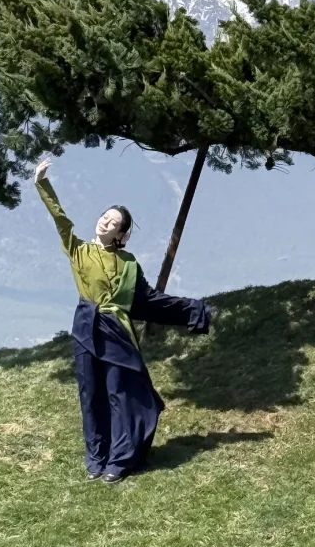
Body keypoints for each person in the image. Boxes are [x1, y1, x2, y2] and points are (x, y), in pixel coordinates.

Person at [34, 155, 211, 482]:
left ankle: (120, 459)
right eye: (104, 216)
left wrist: (193, 310)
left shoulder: (129, 265)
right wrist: (43, 184)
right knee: (90, 395)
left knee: (118, 394)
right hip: (86, 329)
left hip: (117, 334)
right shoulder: (78, 250)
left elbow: (150, 302)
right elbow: (61, 220)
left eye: (113, 221)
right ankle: (96, 458)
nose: (105, 222)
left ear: (122, 234)